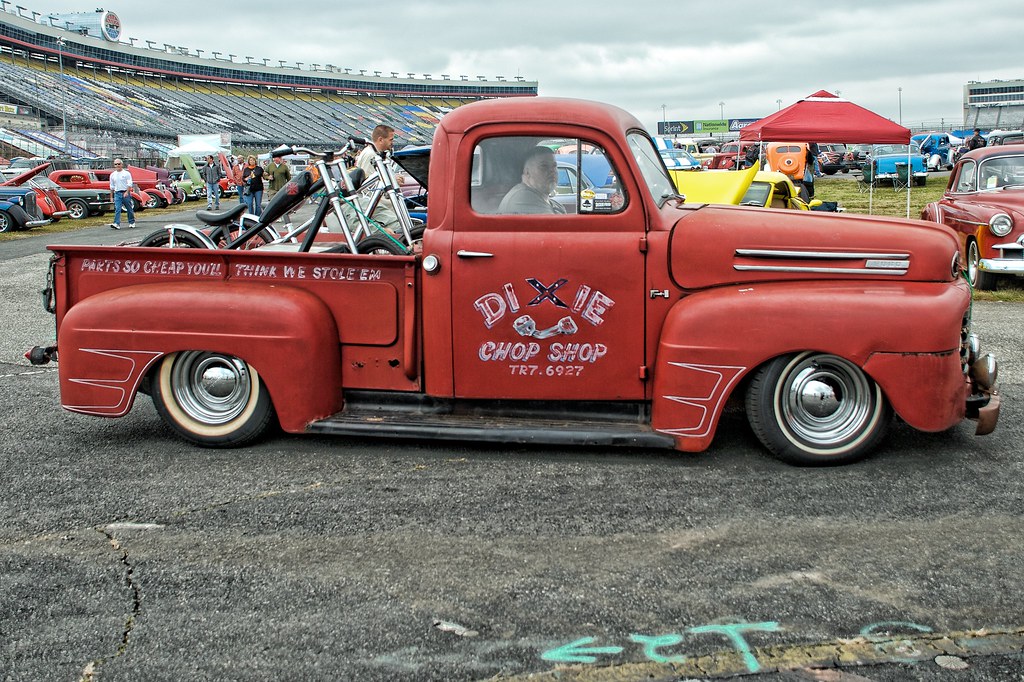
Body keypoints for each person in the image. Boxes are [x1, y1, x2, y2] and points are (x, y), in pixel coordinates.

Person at [497, 146, 566, 215]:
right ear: (527, 172)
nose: (552, 171)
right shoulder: (523, 198)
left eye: (554, 166)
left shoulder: (551, 203)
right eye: (544, 166)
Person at [108, 158, 136, 229]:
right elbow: (111, 186)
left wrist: (127, 192)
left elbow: (129, 184)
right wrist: (111, 196)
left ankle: (131, 222)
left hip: (125, 192)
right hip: (117, 193)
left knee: (129, 208)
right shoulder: (112, 175)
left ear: (122, 164)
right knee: (117, 208)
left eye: (119, 164)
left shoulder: (126, 173)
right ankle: (116, 223)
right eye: (116, 164)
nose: (117, 165)